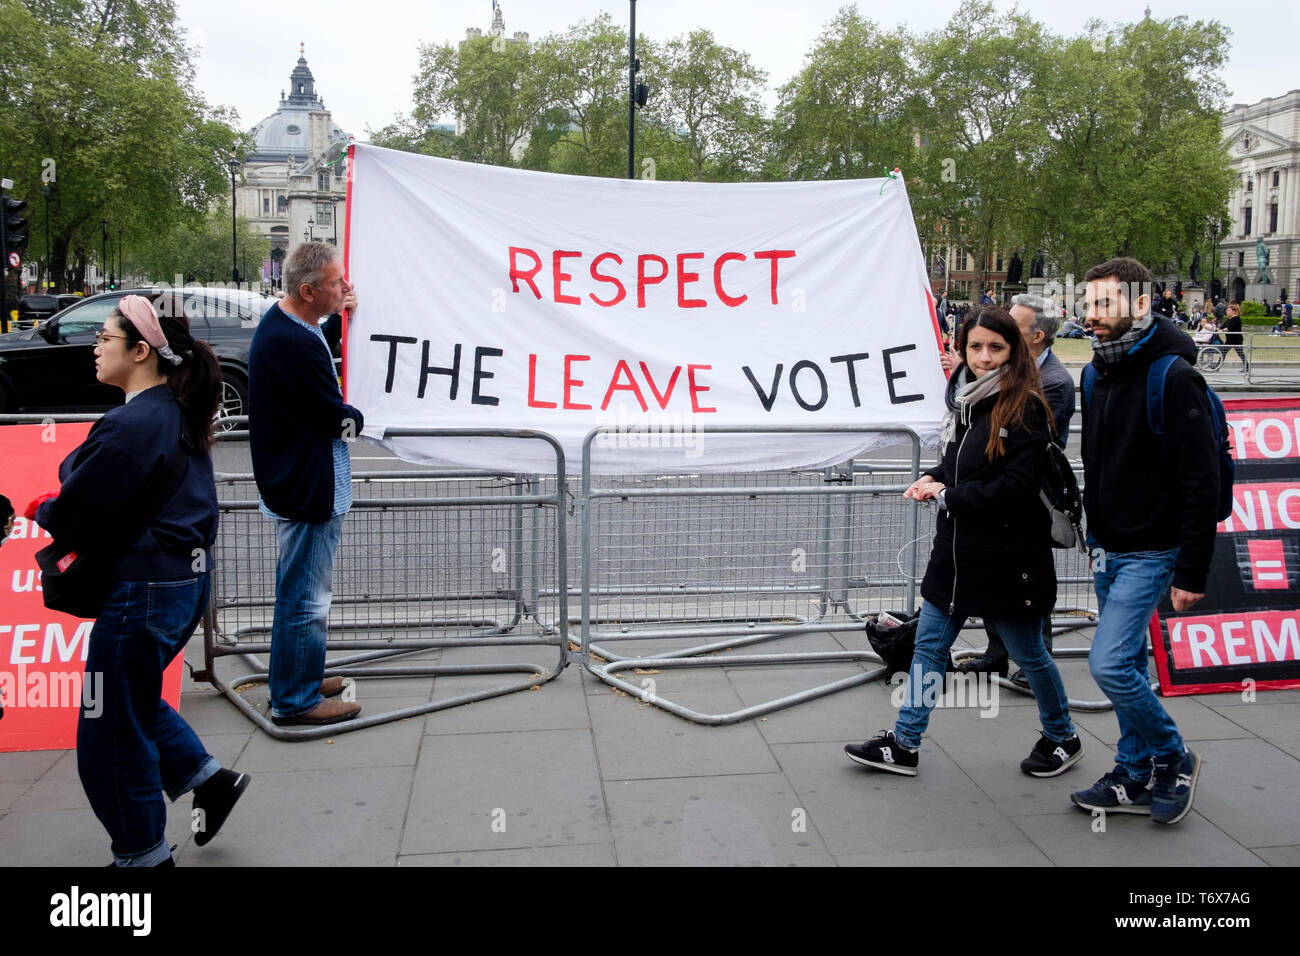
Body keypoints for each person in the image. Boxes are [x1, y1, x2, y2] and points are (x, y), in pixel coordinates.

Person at [30, 295, 249, 865]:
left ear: (140, 350)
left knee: (109, 735)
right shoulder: (173, 412)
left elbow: (79, 503)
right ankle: (208, 780)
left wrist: (47, 509)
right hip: (178, 586)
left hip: (143, 592)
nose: (96, 347)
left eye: (105, 337)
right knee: (132, 698)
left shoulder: (134, 421)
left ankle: (143, 857)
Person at [845, 306, 1082, 779]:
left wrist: (948, 494)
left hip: (1008, 559)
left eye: (996, 347)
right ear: (962, 348)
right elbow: (958, 468)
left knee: (1029, 653)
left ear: (1014, 351)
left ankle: (1062, 735)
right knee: (929, 648)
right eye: (975, 346)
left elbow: (1015, 487)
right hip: (955, 553)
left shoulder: (1027, 406)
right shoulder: (965, 403)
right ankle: (905, 743)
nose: (984, 357)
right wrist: (932, 477)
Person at [1071, 257, 1218, 825]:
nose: (1092, 316)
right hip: (1108, 545)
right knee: (1130, 660)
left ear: (1139, 304)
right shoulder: (1095, 372)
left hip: (1154, 549)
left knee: (1108, 665)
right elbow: (1097, 462)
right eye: (1088, 303)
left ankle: (1174, 754)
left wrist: (1193, 571)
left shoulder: (1174, 376)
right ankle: (1134, 772)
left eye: (1105, 304)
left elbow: (1200, 481)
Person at [249, 242, 364, 726]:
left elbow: (315, 349)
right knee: (306, 599)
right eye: (337, 284)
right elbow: (329, 417)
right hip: (307, 490)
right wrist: (368, 417)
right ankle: (296, 700)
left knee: (298, 591)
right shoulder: (292, 342)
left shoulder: (293, 325)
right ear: (308, 289)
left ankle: (301, 674)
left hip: (297, 483)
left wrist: (339, 318)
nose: (345, 288)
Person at [957, 294, 1075, 688]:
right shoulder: (995, 375)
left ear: (1036, 336)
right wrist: (964, 369)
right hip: (994, 499)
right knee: (997, 580)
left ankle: (1033, 664)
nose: (998, 335)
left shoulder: (1053, 383)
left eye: (1012, 328)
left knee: (1027, 585)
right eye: (977, 345)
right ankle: (996, 654)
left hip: (1029, 502)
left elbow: (1030, 443)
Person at [1222, 301, 1247, 369]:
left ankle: (1246, 366)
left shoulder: (1237, 319)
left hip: (1236, 340)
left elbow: (1229, 328)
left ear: (1234, 311)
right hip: (1229, 340)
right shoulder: (1228, 319)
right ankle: (1217, 365)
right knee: (1223, 352)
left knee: (1240, 354)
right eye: (1227, 310)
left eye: (1229, 310)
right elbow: (1222, 326)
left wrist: (1223, 330)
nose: (1227, 312)